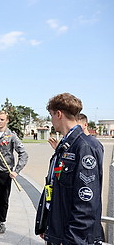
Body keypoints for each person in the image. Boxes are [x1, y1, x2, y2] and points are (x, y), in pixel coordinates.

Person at [35, 93, 104, 244]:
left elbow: (86, 201)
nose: (51, 121)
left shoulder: (84, 146)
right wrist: (47, 223)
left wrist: (71, 239)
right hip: (58, 231)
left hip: (71, 238)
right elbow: (54, 187)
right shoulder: (66, 145)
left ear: (58, 114)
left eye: (51, 115)